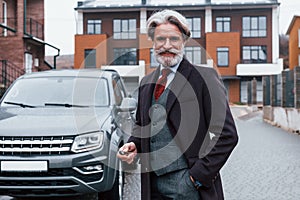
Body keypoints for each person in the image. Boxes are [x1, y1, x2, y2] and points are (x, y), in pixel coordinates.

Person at [117, 9, 238, 200]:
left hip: (190, 188)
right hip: (152, 187)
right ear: (152, 42)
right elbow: (142, 127)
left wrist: (196, 177)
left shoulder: (204, 78)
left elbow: (227, 136)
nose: (167, 45)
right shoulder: (146, 83)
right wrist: (134, 144)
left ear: (184, 41)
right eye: (160, 39)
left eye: (174, 39)